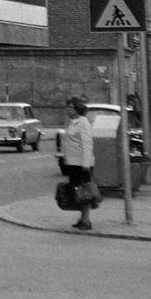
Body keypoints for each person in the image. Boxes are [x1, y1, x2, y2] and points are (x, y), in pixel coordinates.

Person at [61, 97, 95, 231]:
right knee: (77, 191)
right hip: (73, 162)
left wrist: (86, 164)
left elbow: (87, 144)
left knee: (85, 191)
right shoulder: (70, 122)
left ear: (77, 109)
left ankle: (86, 220)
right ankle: (82, 218)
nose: (68, 110)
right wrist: (64, 157)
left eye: (70, 107)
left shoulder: (83, 123)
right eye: (67, 107)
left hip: (82, 163)